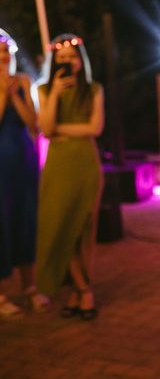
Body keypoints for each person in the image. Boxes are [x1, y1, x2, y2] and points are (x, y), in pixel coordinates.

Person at [36, 33, 104, 321]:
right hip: (57, 166)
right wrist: (54, 96)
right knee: (60, 226)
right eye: (60, 58)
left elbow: (95, 128)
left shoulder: (94, 90)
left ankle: (80, 291)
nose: (66, 62)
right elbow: (46, 128)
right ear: (54, 62)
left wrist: (61, 131)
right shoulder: (44, 89)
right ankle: (82, 289)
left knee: (81, 228)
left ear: (80, 61)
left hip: (85, 165)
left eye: (71, 58)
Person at [0, 28, 50, 317]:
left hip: (24, 160)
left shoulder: (23, 80)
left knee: (26, 218)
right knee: (3, 223)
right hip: (1, 164)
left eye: (7, 52)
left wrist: (14, 94)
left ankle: (29, 287)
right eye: (0, 53)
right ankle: (3, 292)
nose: (4, 57)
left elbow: (33, 123)